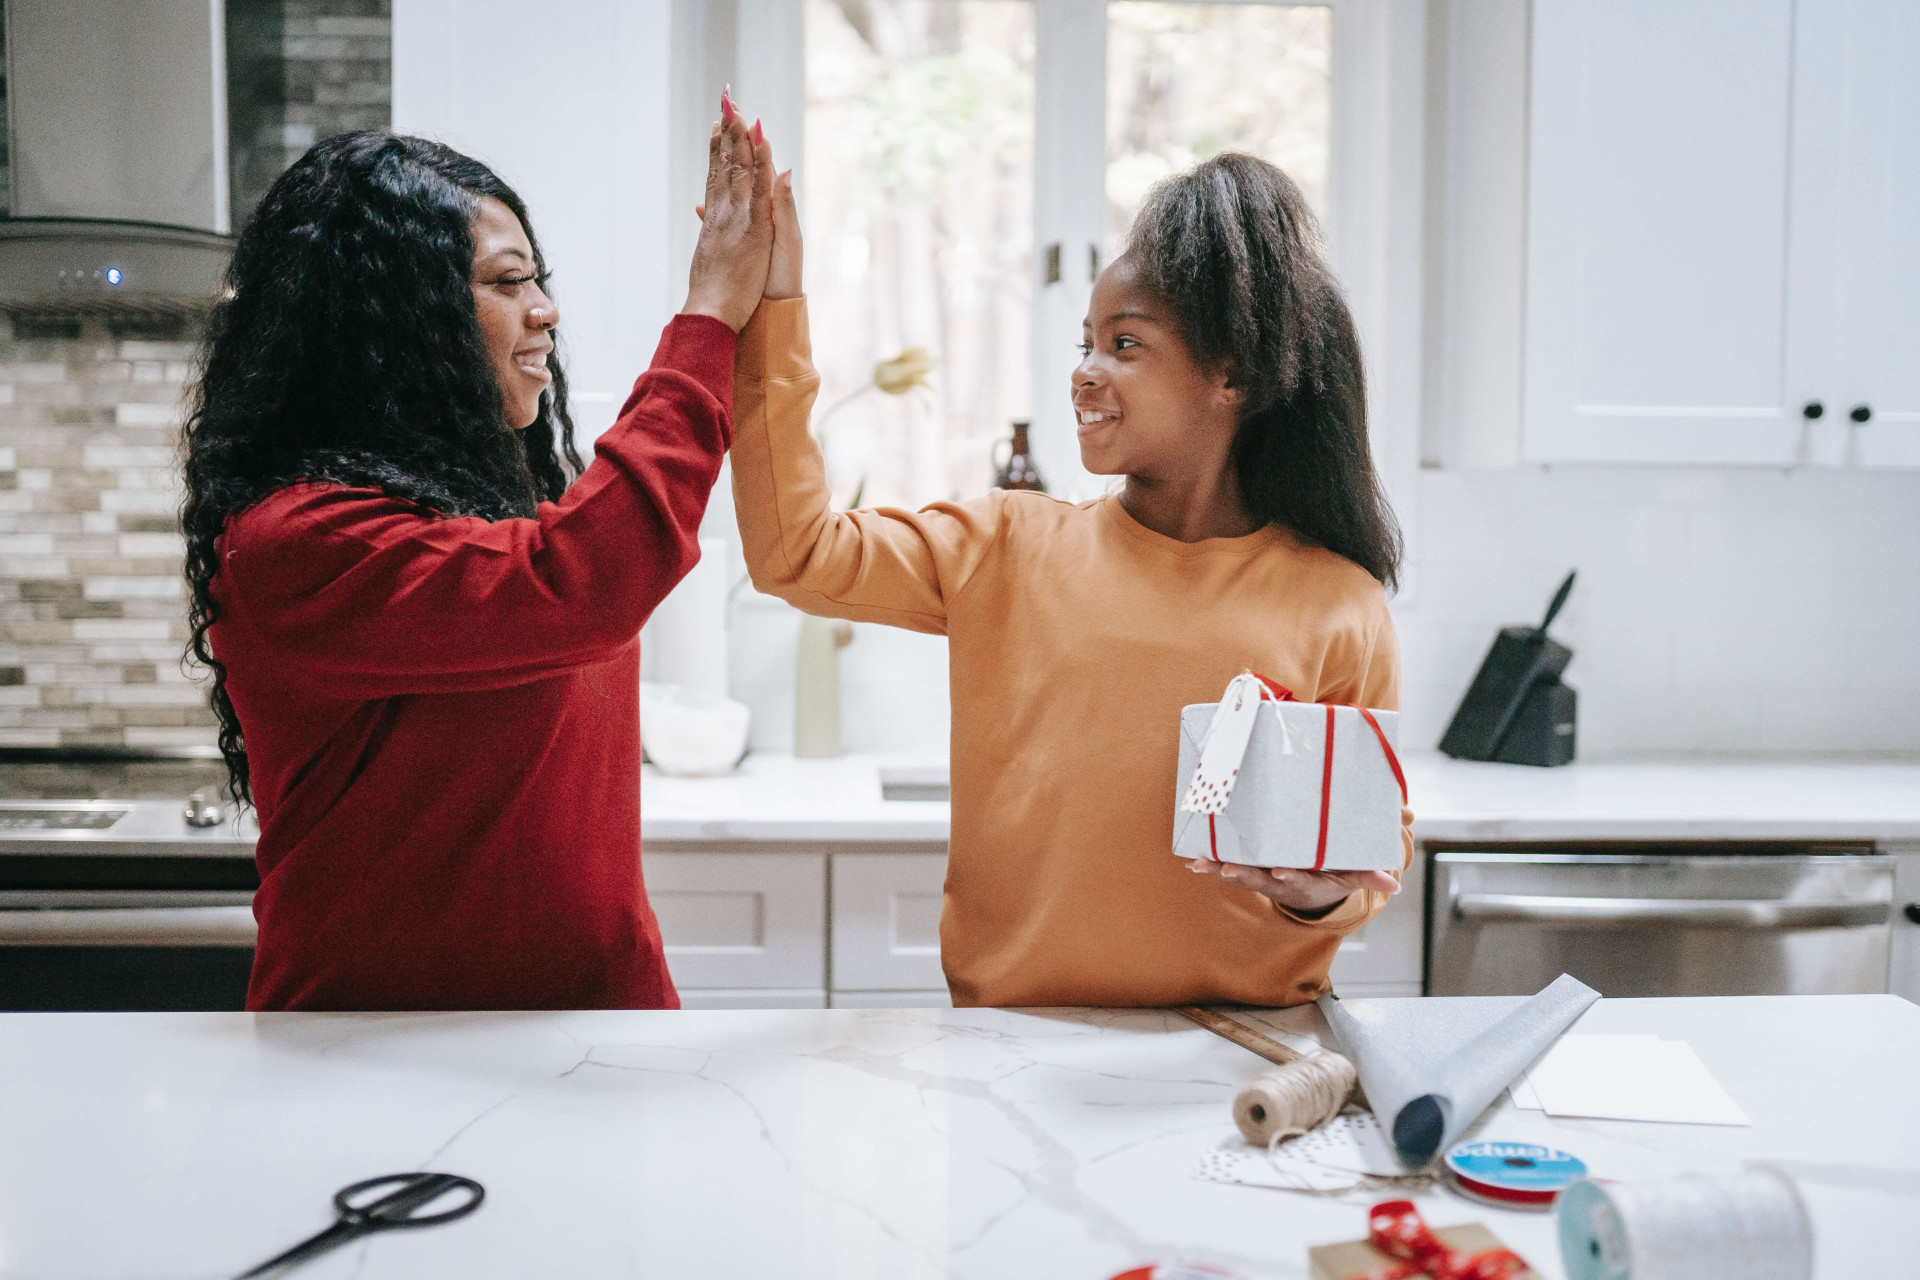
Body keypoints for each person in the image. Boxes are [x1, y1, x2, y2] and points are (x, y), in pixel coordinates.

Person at [730, 150, 1412, 1007]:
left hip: (1242, 1058)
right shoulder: (1006, 547)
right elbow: (795, 552)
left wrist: (1319, 893)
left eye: (1125, 344)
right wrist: (771, 308)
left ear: (1230, 373)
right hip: (1015, 1048)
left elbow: (1374, 855)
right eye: (1086, 344)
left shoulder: (1340, 604)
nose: (1085, 372)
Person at [181, 101, 774, 1010]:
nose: (546, 311)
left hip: (590, 1031)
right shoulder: (298, 543)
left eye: (536, 279)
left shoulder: (499, 511)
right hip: (375, 1056)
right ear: (393, 323)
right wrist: (708, 316)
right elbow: (584, 580)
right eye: (506, 283)